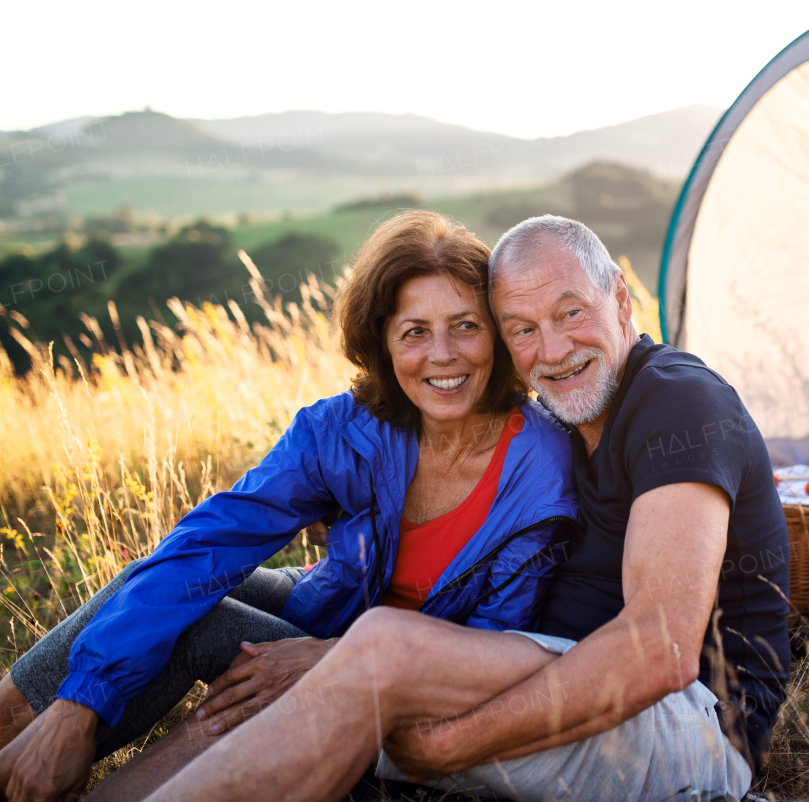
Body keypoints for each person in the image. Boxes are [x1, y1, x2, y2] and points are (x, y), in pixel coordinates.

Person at [143, 214, 791, 802]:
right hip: (549, 666)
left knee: (377, 653)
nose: (556, 349)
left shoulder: (678, 401)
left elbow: (661, 648)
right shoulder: (562, 421)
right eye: (523, 330)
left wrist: (449, 742)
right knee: (267, 690)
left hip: (694, 725)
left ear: (621, 300)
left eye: (571, 313)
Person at [0, 211, 577, 802]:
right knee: (170, 584)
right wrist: (78, 703)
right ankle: (27, 742)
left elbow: (491, 652)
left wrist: (337, 661)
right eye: (414, 332)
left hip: (412, 708)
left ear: (500, 334)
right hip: (332, 605)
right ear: (381, 339)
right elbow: (210, 543)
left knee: (220, 631)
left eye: (465, 326)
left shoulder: (539, 472)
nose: (443, 355)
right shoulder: (349, 427)